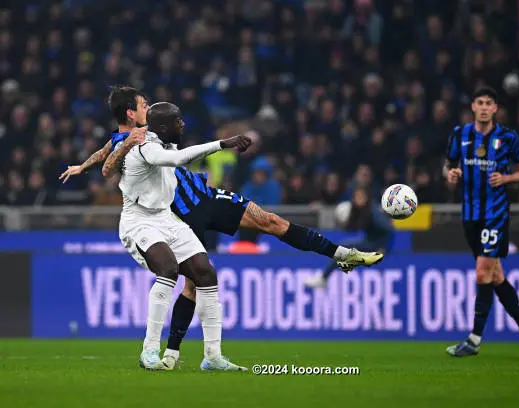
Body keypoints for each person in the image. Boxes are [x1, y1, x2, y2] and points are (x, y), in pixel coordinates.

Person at [60, 86, 384, 369]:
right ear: (131, 113)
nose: (149, 106)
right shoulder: (133, 142)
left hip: (204, 197)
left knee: (269, 223)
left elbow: (104, 153)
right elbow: (109, 164)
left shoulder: (145, 134)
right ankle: (170, 351)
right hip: (177, 214)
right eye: (143, 105)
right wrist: (118, 151)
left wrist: (80, 166)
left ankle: (341, 253)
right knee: (190, 282)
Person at [110, 92, 251, 371]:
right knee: (168, 270)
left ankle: (213, 356)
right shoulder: (145, 147)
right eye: (178, 121)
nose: (183, 124)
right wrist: (222, 144)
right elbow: (176, 161)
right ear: (162, 127)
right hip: (139, 221)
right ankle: (149, 351)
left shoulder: (166, 140)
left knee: (205, 273)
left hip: (165, 217)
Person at [443, 87, 519, 358]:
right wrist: (450, 174)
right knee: (495, 276)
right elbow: (448, 165)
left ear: (495, 108)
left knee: (482, 272)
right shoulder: (459, 135)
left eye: (489, 103)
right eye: (480, 103)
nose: (484, 107)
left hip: (495, 213)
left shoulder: (508, 137)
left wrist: (505, 178)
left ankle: (473, 340)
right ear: (473, 106)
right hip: (470, 215)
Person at [305, 186, 394, 288]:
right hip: (370, 240)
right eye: (356, 196)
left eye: (361, 196)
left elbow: (389, 230)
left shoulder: (373, 212)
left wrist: (385, 248)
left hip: (377, 244)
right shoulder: (361, 210)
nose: (358, 199)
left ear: (367, 198)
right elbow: (352, 228)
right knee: (342, 248)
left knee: (342, 247)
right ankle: (324, 278)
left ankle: (323, 278)